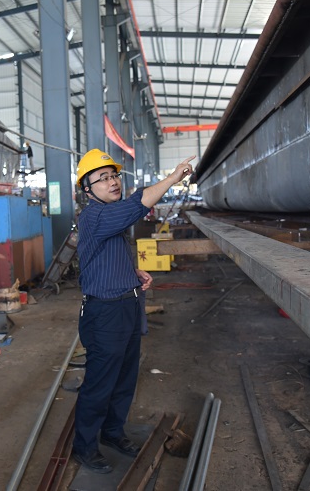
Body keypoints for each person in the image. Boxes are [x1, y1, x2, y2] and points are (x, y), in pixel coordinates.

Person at [72, 148, 195, 474]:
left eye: (114, 175)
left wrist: (133, 273)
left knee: (125, 379)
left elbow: (110, 252)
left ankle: (113, 433)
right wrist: (172, 178)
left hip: (127, 306)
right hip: (105, 313)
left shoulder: (110, 215)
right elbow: (137, 204)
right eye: (103, 178)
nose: (112, 181)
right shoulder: (93, 216)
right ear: (87, 189)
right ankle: (84, 447)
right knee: (100, 384)